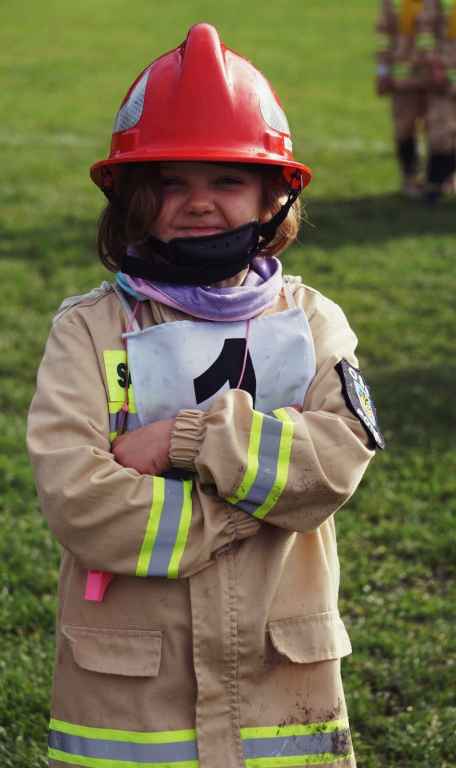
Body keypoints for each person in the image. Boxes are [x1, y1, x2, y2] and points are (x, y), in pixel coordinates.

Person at [26, 23, 385, 768]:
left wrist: (181, 443)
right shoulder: (87, 332)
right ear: (130, 196)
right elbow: (79, 500)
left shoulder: (311, 320)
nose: (198, 203)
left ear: (271, 196)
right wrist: (256, 505)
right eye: (170, 182)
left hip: (283, 687)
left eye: (225, 181)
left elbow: (337, 462)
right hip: (129, 699)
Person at [376, 0, 429, 197]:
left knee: (441, 130)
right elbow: (384, 33)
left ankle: (438, 181)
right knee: (404, 127)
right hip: (404, 75)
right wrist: (383, 70)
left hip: (441, 77)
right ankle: (411, 176)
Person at [419, 0, 456, 202]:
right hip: (445, 77)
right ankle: (435, 184)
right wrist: (434, 66)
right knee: (440, 133)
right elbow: (426, 30)